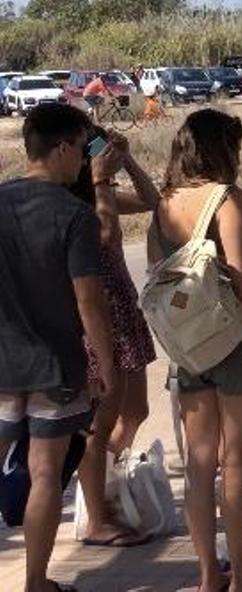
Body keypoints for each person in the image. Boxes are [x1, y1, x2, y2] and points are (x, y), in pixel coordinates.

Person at [149, 109, 242, 592]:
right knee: (236, 462)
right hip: (235, 342)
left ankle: (209, 574)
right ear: (222, 149)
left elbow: (160, 274)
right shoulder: (226, 198)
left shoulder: (164, 204)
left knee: (199, 461)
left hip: (188, 346)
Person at [0, 103, 114, 592]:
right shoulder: (73, 215)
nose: (85, 161)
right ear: (63, 148)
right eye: (83, 149)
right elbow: (88, 300)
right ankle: (35, 583)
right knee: (45, 473)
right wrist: (105, 364)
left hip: (3, 363)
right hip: (56, 367)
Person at [68, 127, 160, 549]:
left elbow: (151, 201)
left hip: (123, 310)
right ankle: (95, 512)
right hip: (99, 319)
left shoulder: (100, 192)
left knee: (136, 410)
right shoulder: (73, 203)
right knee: (98, 425)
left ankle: (104, 488)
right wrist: (102, 178)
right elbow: (105, 236)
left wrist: (129, 161)